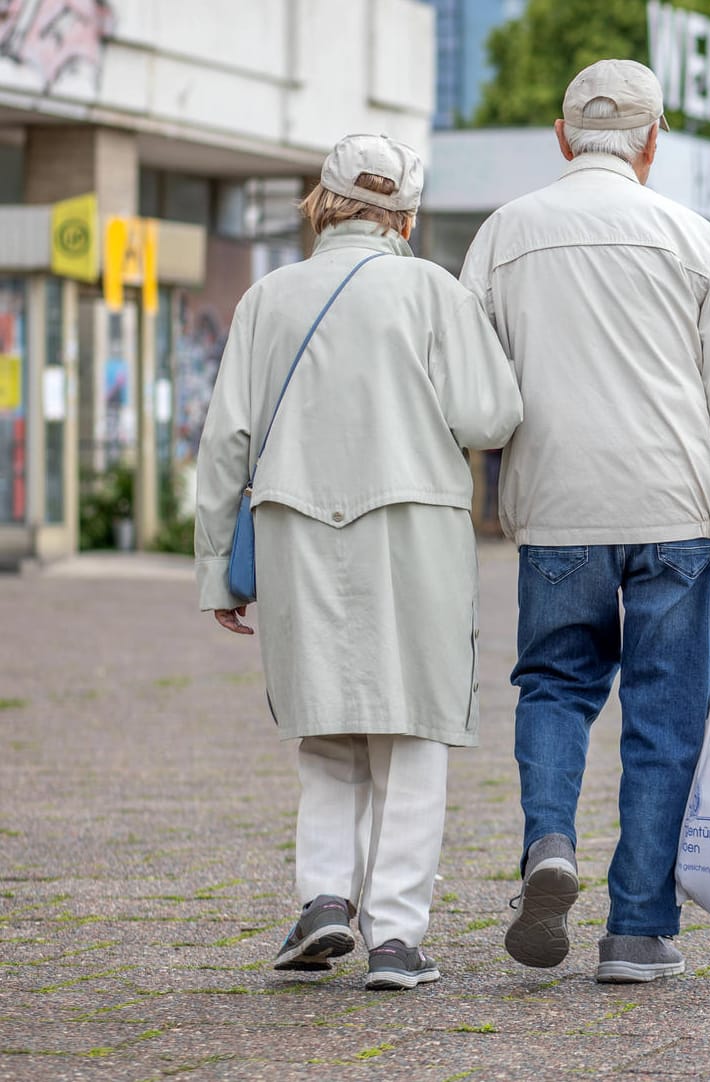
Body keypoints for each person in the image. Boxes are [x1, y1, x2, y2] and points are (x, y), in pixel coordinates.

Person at [458, 59, 710, 985]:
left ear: (563, 137)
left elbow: (469, 383)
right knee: (664, 715)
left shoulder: (503, 234)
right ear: (653, 141)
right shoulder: (691, 237)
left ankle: (550, 841)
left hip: (559, 506)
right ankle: (638, 931)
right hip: (677, 512)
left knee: (556, 686)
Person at [193, 135, 522, 992]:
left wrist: (216, 571)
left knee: (329, 728)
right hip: (412, 525)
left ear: (323, 200)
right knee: (414, 732)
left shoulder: (266, 298)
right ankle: (397, 940)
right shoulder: (430, 291)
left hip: (297, 528)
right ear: (405, 213)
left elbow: (227, 441)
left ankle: (325, 902)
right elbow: (489, 415)